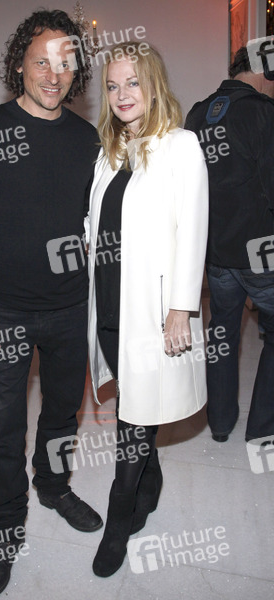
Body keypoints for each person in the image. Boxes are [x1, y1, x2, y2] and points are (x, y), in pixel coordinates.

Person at [0, 9, 102, 598]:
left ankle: (55, 486)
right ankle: (7, 526)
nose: (53, 75)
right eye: (42, 61)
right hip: (3, 311)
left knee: (62, 415)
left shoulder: (86, 138)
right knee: (3, 427)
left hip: (69, 306)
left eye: (65, 64)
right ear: (20, 63)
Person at [87, 41, 209, 577]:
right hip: (110, 302)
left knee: (134, 416)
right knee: (133, 400)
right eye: (112, 86)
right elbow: (98, 222)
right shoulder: (109, 151)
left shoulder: (180, 145)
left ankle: (119, 516)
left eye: (132, 82)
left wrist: (181, 307)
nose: (122, 95)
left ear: (154, 85)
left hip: (152, 309)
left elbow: (193, 230)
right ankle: (150, 479)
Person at [185, 46, 274, 443]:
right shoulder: (264, 113)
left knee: (221, 331)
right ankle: (263, 430)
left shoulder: (197, 113)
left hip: (216, 253)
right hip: (261, 255)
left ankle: (220, 423)